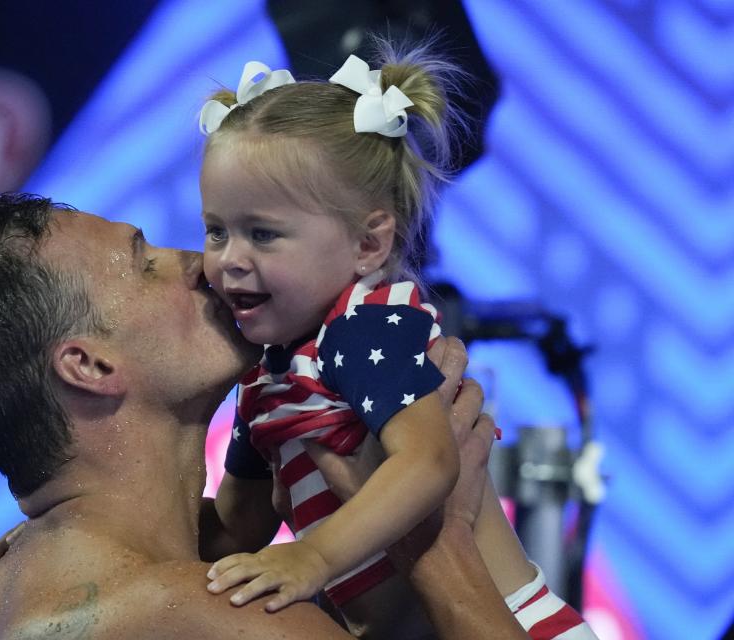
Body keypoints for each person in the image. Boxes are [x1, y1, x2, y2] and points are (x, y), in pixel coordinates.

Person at [0, 192, 531, 639]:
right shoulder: (223, 621)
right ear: (88, 366)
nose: (201, 265)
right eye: (146, 265)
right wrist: (438, 547)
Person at [195, 46, 597, 639]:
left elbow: (430, 462)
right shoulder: (266, 376)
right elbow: (240, 524)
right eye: (216, 230)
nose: (229, 260)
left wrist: (314, 557)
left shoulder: (364, 329)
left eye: (263, 234)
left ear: (368, 246)